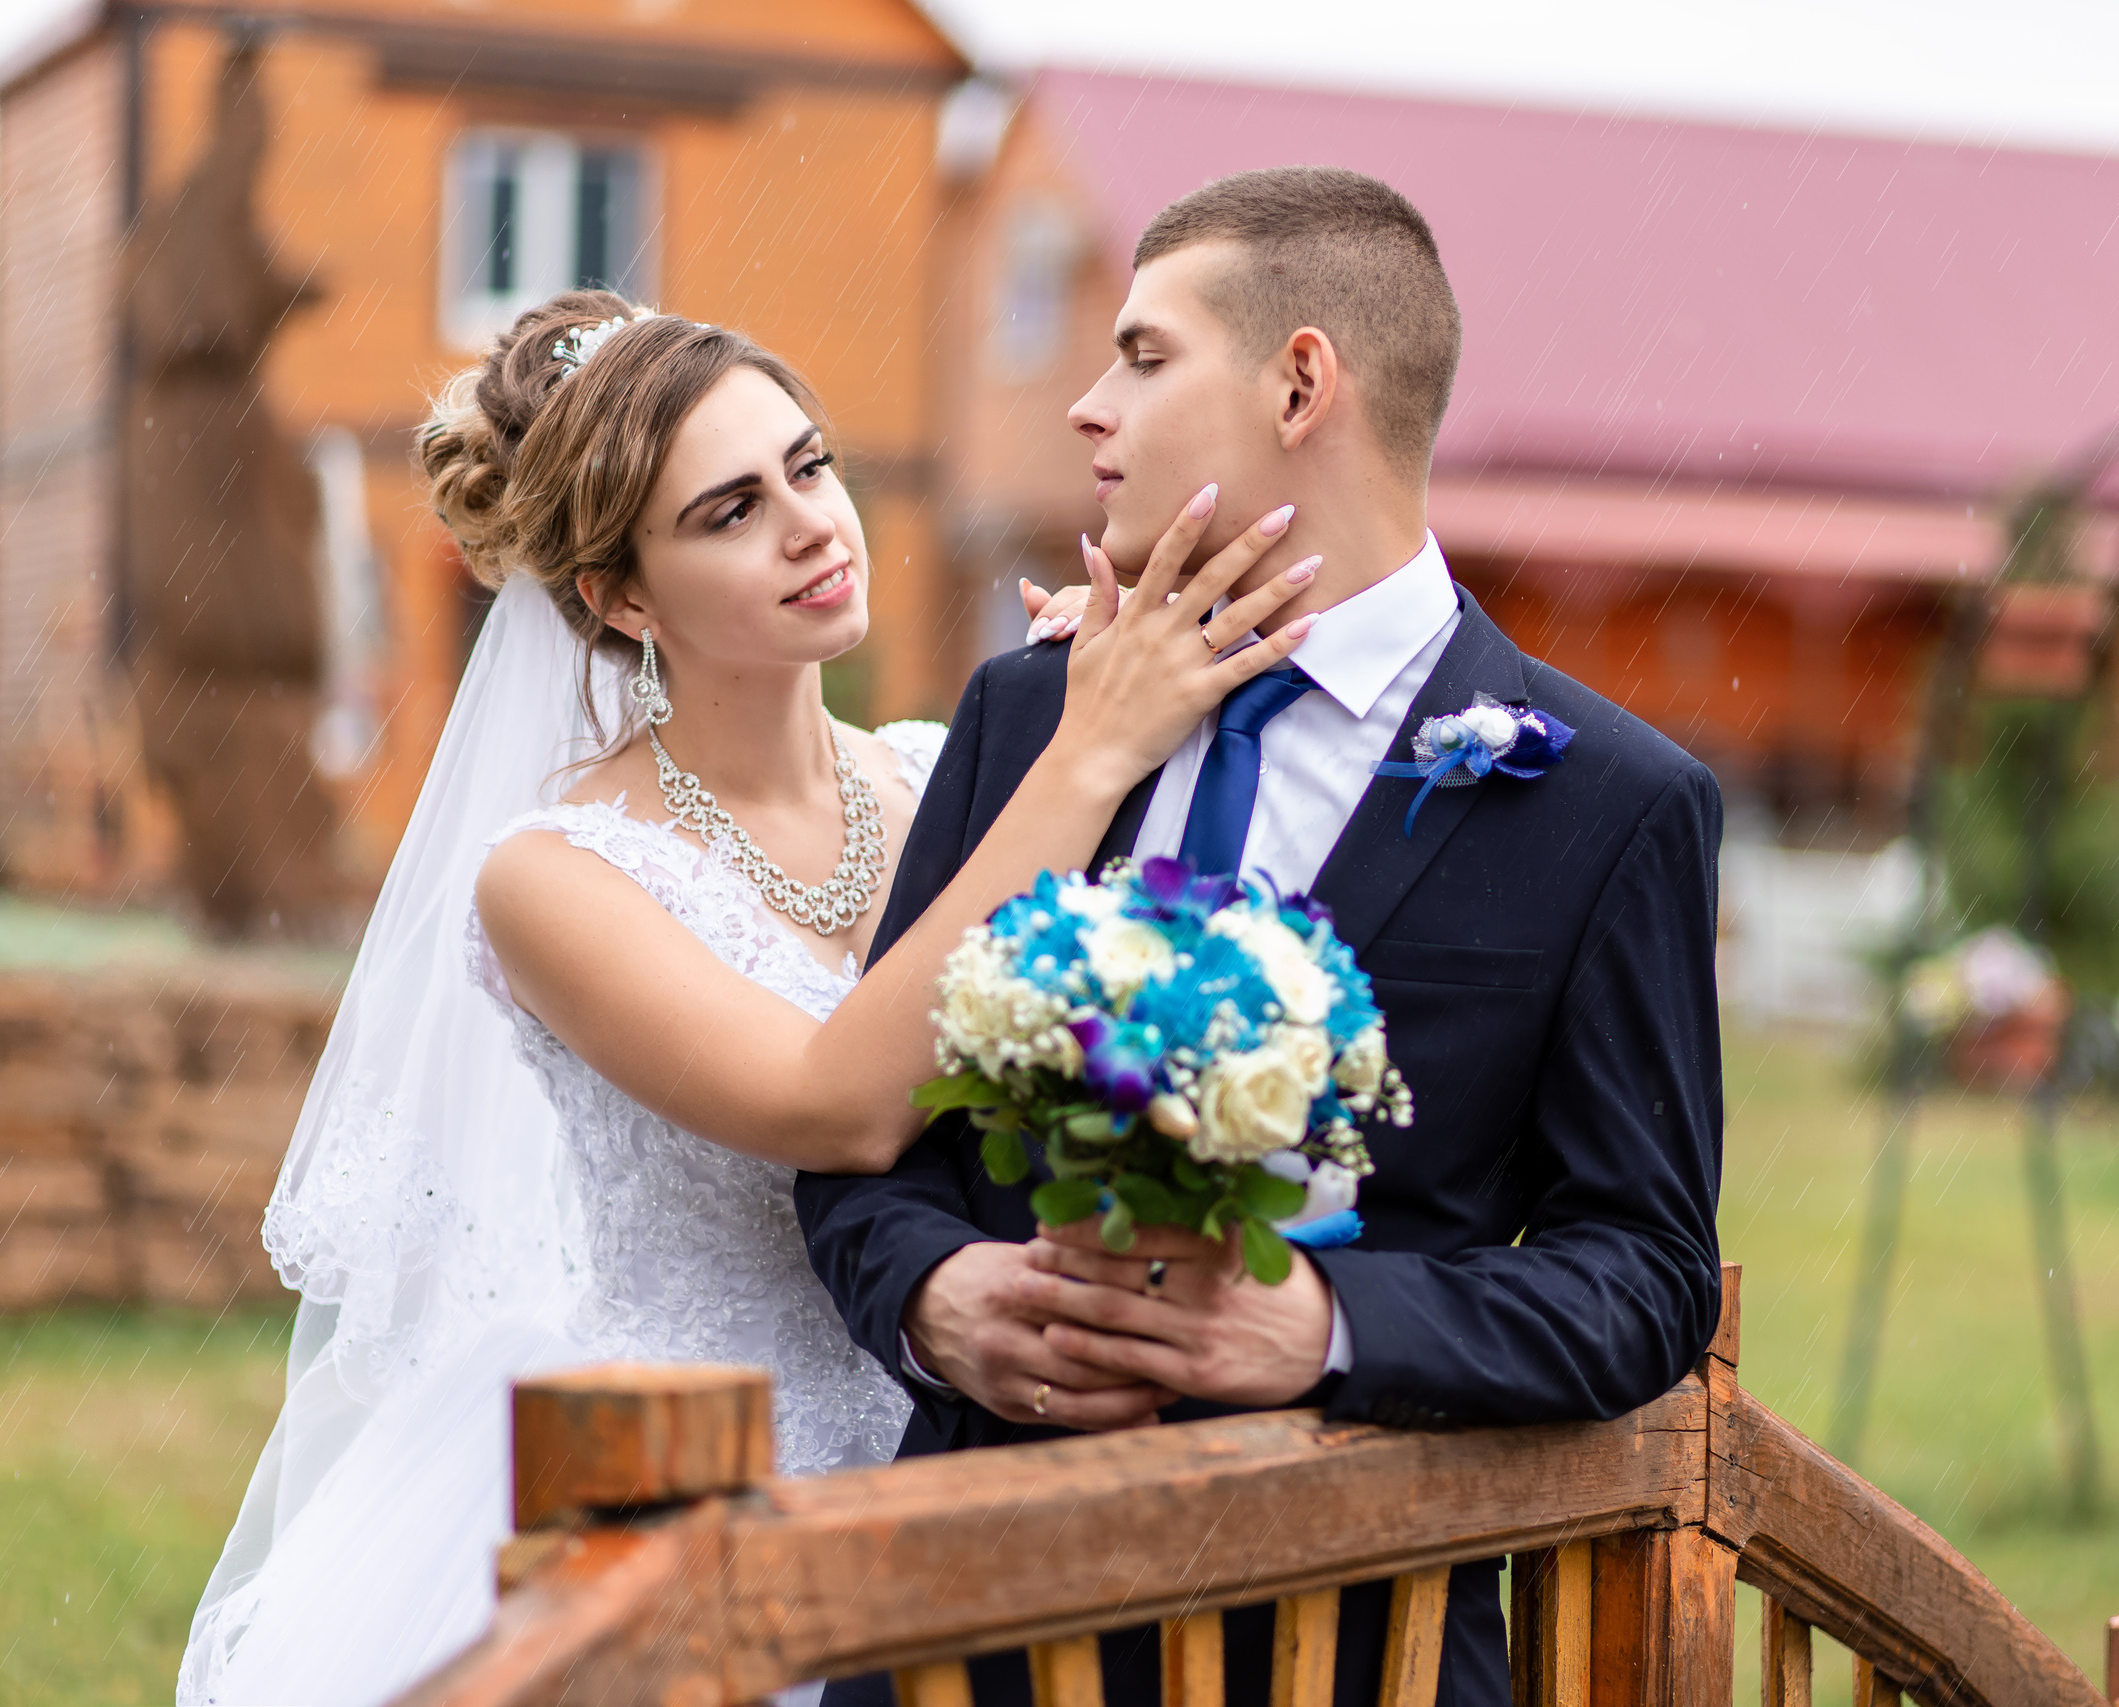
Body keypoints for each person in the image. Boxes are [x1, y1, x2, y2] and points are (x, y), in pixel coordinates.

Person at [178, 289, 1320, 1707]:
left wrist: (1094, 711)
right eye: (727, 511)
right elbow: (829, 1106)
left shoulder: (939, 773)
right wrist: (1086, 753)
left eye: (810, 464)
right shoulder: (552, 876)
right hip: (688, 1493)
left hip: (973, 1460)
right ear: (620, 598)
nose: (809, 524)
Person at [797, 168, 1727, 1707]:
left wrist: (1328, 1326)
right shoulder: (1030, 716)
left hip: (1360, 1639)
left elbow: (1640, 1272)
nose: (1090, 410)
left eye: (1144, 357)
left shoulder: (1609, 800)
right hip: (968, 1625)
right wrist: (931, 1299)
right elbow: (863, 1140)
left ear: (1303, 381)